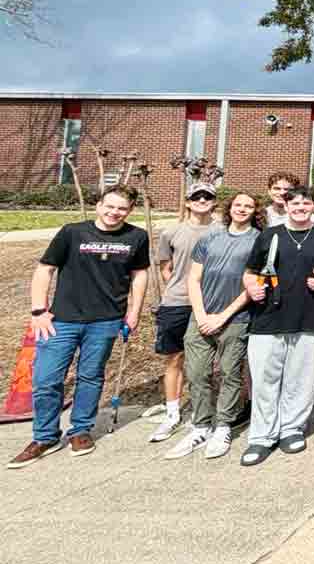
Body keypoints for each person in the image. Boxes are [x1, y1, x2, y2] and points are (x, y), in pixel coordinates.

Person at [8, 185, 149, 468]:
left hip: (106, 320)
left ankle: (81, 430)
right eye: (110, 206)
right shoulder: (72, 233)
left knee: (91, 376)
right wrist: (38, 310)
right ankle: (45, 437)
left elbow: (139, 274)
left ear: (130, 210)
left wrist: (134, 312)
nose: (114, 212)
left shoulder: (137, 237)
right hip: (61, 320)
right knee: (46, 380)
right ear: (99, 205)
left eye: (122, 208)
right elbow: (45, 269)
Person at [239, 186, 314, 467]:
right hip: (267, 318)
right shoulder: (269, 235)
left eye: (306, 203)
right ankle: (262, 436)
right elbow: (250, 272)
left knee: (300, 378)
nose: (300, 208)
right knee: (264, 379)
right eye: (295, 203)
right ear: (285, 206)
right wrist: (252, 288)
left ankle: (292, 429)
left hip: (306, 317)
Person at [163, 192, 260, 460]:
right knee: (197, 373)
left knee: (230, 373)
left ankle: (224, 425)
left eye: (249, 206)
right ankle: (201, 426)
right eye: (238, 204)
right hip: (202, 317)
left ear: (255, 211)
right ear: (230, 208)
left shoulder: (258, 240)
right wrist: (201, 315)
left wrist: (223, 316)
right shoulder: (210, 238)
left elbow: (253, 285)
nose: (242, 209)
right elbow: (193, 279)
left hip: (236, 318)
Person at [148, 181, 217, 443]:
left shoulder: (222, 231)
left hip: (211, 303)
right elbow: (166, 267)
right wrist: (180, 288)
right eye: (196, 196)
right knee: (174, 358)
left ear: (214, 201)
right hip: (177, 302)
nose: (202, 200)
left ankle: (203, 412)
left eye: (207, 196)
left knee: (205, 361)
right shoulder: (172, 232)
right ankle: (172, 412)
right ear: (188, 202)